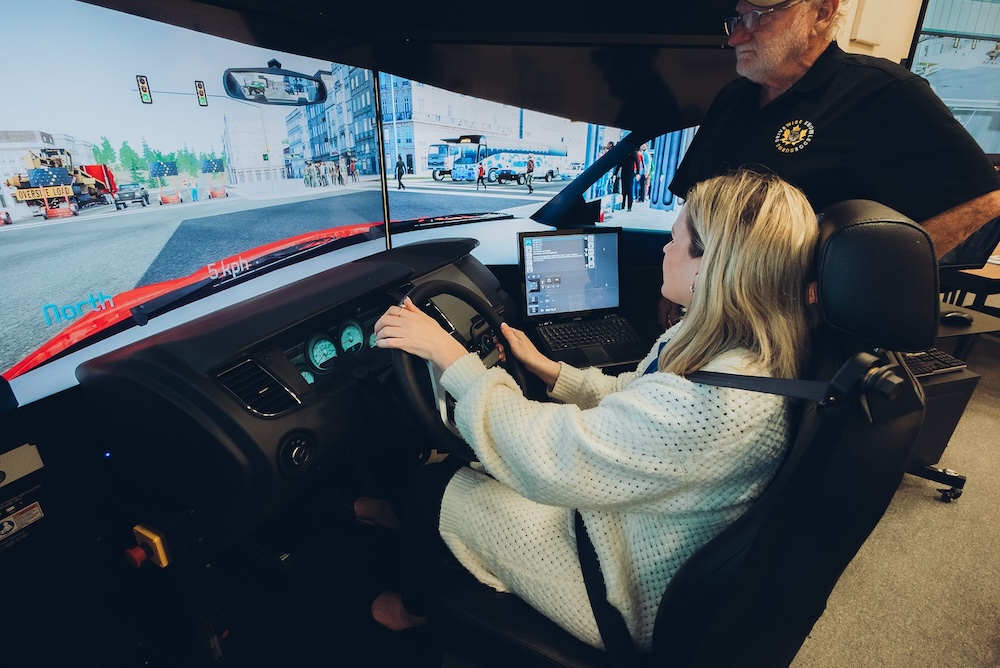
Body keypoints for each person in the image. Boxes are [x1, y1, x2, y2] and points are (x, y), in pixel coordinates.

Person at [365, 169, 819, 649]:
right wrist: (551, 371)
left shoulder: (718, 406)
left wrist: (454, 360)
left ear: (715, 263)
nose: (664, 249)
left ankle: (408, 610)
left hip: (618, 585)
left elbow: (550, 457)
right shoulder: (730, 352)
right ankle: (397, 514)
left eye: (675, 240)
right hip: (629, 524)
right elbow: (636, 397)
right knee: (470, 462)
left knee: (436, 484)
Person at [669, 0, 1000, 258]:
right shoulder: (733, 96)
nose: (736, 36)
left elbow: (985, 200)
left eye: (760, 16)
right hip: (707, 308)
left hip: (800, 328)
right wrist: (673, 281)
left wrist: (868, 277)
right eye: (739, 18)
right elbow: (692, 198)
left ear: (822, 12)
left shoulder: (883, 92)